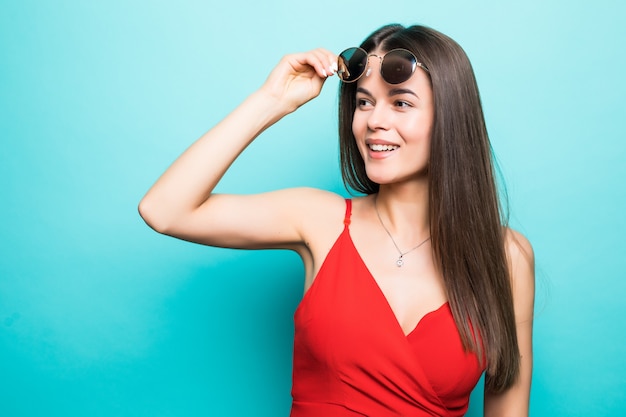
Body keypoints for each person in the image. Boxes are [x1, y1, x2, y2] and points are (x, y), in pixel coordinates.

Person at [139, 23, 535, 417]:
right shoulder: (319, 221)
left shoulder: (507, 257)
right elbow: (164, 211)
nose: (374, 120)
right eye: (364, 102)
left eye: (400, 103)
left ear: (451, 118)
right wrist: (272, 100)